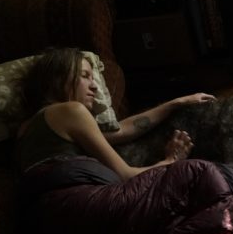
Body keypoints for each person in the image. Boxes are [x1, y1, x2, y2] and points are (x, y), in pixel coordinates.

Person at [16, 47, 216, 181]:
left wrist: (176, 103)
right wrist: (171, 160)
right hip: (77, 204)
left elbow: (122, 130)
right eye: (85, 76)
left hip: (41, 216)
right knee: (206, 176)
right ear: (58, 79)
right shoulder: (70, 111)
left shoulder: (27, 128)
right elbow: (125, 175)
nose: (94, 86)